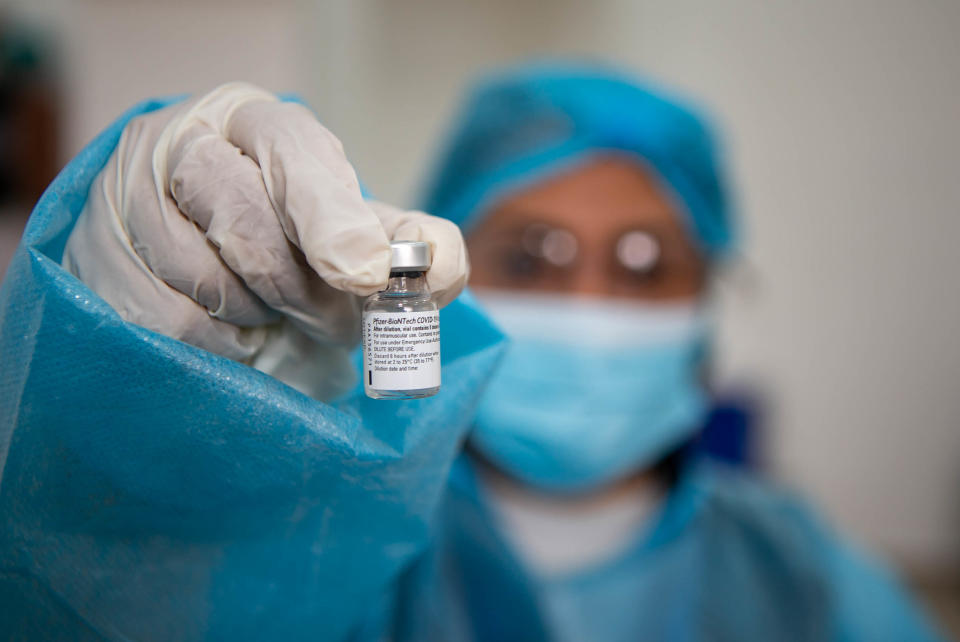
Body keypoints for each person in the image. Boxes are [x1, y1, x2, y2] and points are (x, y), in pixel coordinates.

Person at [0, 63, 943, 641]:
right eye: (532, 257)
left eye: (646, 266)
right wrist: (120, 375)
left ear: (708, 308)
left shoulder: (804, 582)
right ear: (446, 271)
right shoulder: (314, 539)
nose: (590, 303)